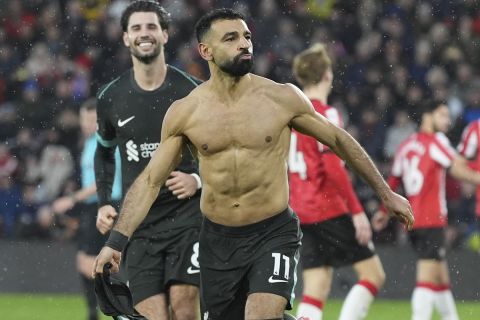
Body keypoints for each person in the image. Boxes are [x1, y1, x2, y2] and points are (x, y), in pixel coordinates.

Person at [94, 8, 414, 320]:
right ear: (206, 50)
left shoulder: (281, 98)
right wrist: (116, 243)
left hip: (272, 232)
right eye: (231, 38)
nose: (244, 44)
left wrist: (386, 193)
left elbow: (338, 140)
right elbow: (151, 180)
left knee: (260, 315)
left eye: (247, 36)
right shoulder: (185, 112)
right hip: (217, 240)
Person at [93, 1, 203, 320]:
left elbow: (218, 150)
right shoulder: (111, 97)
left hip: (187, 219)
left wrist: (198, 180)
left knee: (184, 307)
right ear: (126, 38)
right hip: (139, 224)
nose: (145, 33)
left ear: (165, 35)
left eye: (152, 27)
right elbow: (104, 151)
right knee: (152, 316)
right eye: (137, 28)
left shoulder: (191, 92)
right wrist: (104, 201)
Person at [289, 44, 385, 320]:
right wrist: (357, 212)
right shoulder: (325, 114)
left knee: (316, 287)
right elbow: (333, 168)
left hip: (300, 211)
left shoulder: (291, 118)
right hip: (327, 207)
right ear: (327, 75)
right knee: (373, 274)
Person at [372, 100, 480, 320]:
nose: (447, 121)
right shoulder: (435, 141)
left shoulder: (406, 145)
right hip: (432, 220)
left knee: (440, 276)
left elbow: (393, 181)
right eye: (443, 115)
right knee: (426, 278)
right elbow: (457, 167)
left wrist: (384, 211)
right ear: (428, 116)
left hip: (413, 220)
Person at [52, 98, 122, 320]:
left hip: (106, 206)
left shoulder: (107, 143)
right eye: (84, 119)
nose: (87, 123)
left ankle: (115, 303)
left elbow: (104, 181)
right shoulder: (90, 143)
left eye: (92, 119)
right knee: (86, 261)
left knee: (91, 262)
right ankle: (97, 311)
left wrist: (71, 198)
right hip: (93, 208)